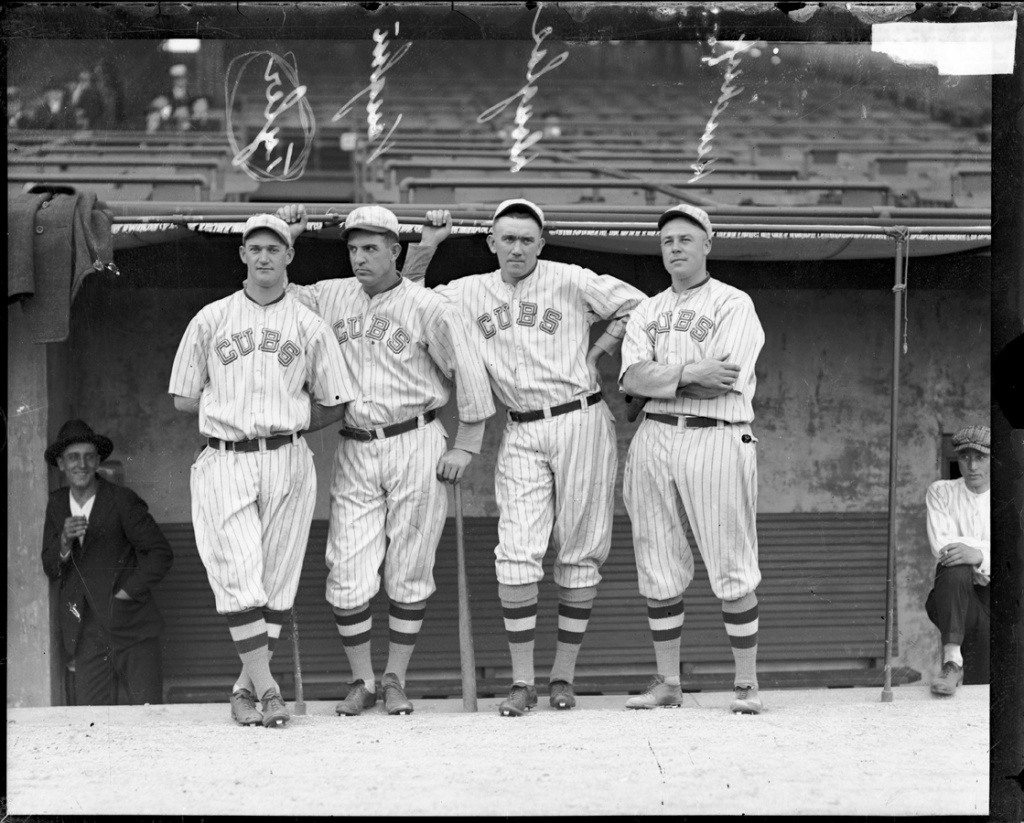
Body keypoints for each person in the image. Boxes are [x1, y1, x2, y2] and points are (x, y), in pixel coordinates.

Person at [403, 201, 646, 716]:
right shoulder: (469, 290)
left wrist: (600, 349)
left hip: (579, 417)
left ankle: (563, 677)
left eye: (526, 239)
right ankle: (522, 682)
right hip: (519, 426)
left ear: (541, 243)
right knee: (516, 552)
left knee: (580, 550)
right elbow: (409, 299)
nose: (517, 247)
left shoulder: (570, 279)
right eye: (507, 238)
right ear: (491, 242)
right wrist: (427, 247)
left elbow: (638, 306)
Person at [274, 203, 494, 717]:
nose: (359, 258)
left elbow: (470, 374)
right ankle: (363, 679)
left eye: (371, 248)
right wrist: (290, 234)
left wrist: (466, 443)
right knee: (346, 569)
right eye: (352, 248)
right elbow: (273, 293)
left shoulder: (429, 306)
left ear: (396, 251)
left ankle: (395, 677)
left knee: (410, 567)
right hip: (354, 442)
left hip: (415, 440)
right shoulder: (329, 295)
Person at [169, 213, 356, 728]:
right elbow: (184, 399)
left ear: (290, 256)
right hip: (225, 456)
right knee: (236, 573)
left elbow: (337, 401)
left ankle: (243, 691)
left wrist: (286, 421)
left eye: (275, 248)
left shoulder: (309, 324)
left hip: (288, 458)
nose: (265, 257)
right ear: (243, 255)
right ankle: (269, 688)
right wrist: (234, 410)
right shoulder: (210, 319)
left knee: (276, 582)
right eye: (255, 248)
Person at [619, 203, 766, 714]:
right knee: (657, 562)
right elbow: (630, 380)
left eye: (686, 238)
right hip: (654, 439)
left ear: (707, 243)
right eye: (667, 241)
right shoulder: (647, 310)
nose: (676, 248)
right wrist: (687, 374)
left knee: (731, 562)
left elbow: (723, 382)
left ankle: (745, 684)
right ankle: (667, 682)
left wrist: (663, 377)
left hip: (718, 436)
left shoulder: (733, 303)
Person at [41, 419, 174, 706]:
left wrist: (125, 594)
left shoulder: (122, 500)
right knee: (92, 722)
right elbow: (50, 566)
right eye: (73, 457)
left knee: (147, 718)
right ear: (61, 464)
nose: (82, 464)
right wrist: (63, 541)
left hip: (133, 629)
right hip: (87, 635)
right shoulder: (56, 504)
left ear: (98, 460)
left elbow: (160, 553)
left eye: (89, 456)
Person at [924, 424, 991, 696]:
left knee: (984, 687)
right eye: (965, 457)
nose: (972, 465)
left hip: (1002, 604)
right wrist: (982, 553)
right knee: (953, 563)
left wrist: (980, 555)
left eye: (981, 457)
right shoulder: (941, 492)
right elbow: (943, 546)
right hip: (954, 598)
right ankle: (952, 661)